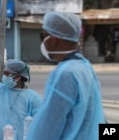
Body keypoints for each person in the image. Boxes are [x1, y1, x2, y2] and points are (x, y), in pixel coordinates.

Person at [27, 11, 106, 140]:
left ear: (53, 40)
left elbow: (48, 126)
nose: (42, 42)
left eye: (42, 36)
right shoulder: (85, 66)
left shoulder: (65, 74)